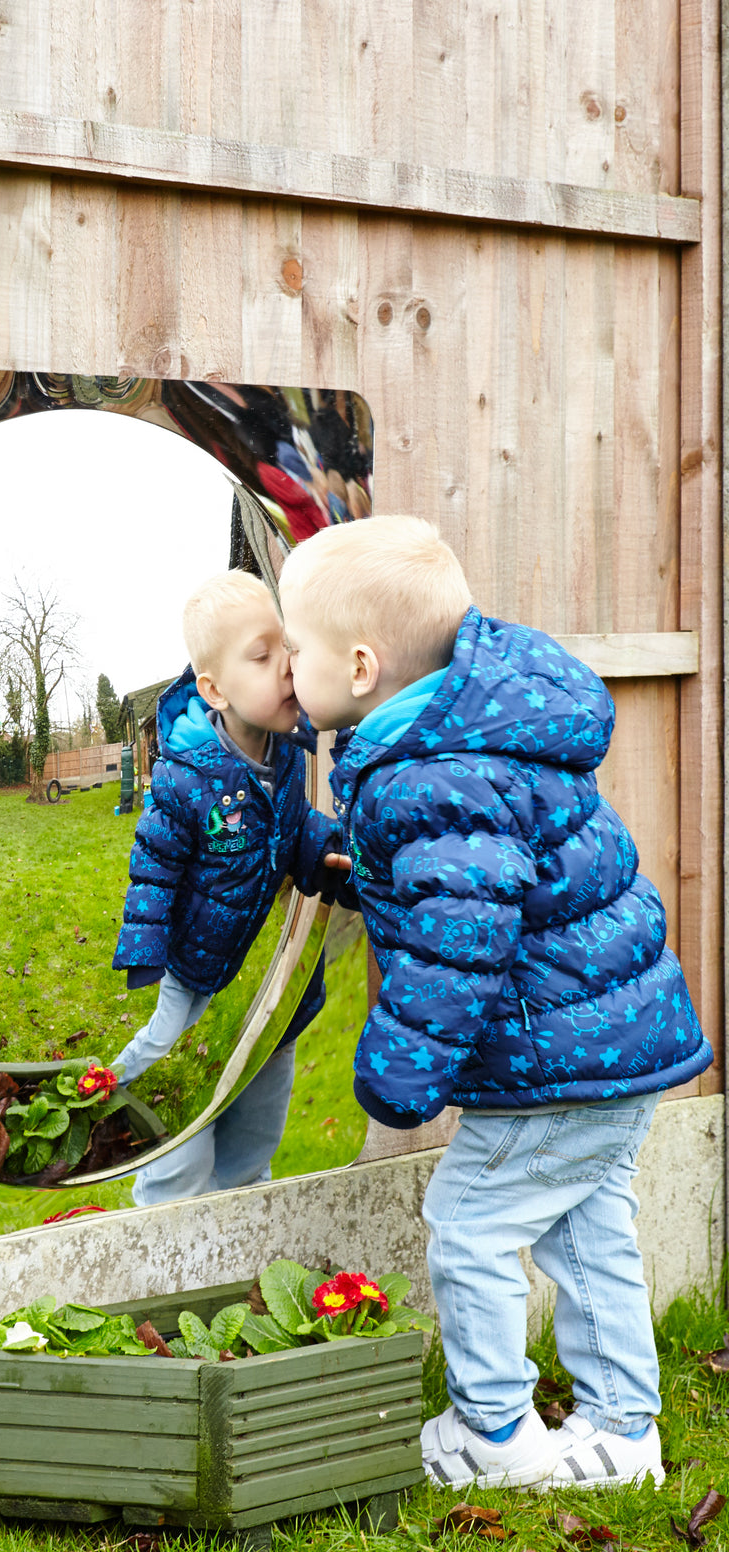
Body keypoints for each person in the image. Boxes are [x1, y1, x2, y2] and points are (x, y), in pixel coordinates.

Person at [278, 516, 711, 1491]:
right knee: (587, 1228)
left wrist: (399, 1068)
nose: (289, 663)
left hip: (549, 1059)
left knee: (471, 1222)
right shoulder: (474, 739)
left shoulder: (430, 774)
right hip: (614, 1040)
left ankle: (496, 1436)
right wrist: (334, 858)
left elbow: (459, 931)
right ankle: (623, 1432)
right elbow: (454, 883)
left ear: (358, 664)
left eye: (295, 646)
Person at [112, 569, 349, 1205]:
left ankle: (242, 1215)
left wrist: (327, 851)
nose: (286, 667)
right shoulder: (186, 776)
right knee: (180, 1105)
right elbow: (154, 865)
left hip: (266, 978)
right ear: (214, 688)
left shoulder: (291, 757)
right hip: (195, 973)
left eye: (287, 649)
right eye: (262, 655)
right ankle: (131, 1138)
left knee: (257, 1124)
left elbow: (295, 831)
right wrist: (144, 950)